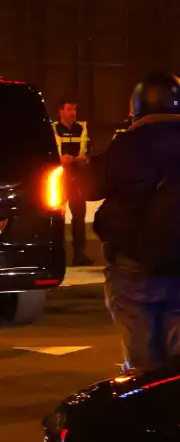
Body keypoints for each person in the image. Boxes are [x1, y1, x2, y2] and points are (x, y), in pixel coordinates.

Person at [79, 72, 180, 371]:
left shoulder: (128, 144)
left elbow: (89, 188)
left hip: (133, 266)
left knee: (141, 364)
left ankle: (146, 409)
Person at [52, 99, 93, 266]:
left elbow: (91, 150)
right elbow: (44, 152)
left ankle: (79, 254)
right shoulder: (53, 129)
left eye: (74, 110)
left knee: (79, 216)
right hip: (58, 179)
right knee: (55, 217)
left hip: (77, 177)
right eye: (69, 109)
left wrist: (86, 159)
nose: (73, 113)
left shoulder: (81, 129)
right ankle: (56, 255)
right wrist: (59, 159)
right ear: (61, 111)